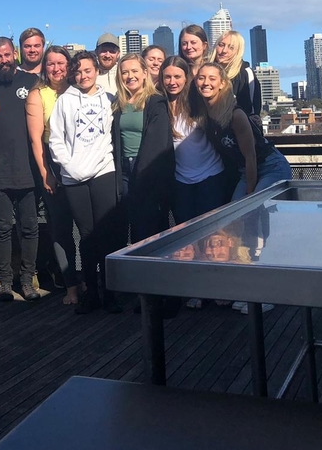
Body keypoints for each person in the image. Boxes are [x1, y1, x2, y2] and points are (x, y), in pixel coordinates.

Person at [49, 50, 120, 315]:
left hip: (104, 171)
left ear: (97, 71)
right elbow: (55, 139)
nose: (82, 76)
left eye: (87, 70)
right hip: (73, 177)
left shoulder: (110, 99)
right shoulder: (64, 101)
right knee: (87, 236)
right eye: (77, 72)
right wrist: (70, 166)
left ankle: (111, 292)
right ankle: (91, 292)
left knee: (108, 234)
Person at [0, 36, 40, 302]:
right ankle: (6, 282)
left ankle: (27, 281)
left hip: (28, 170)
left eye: (7, 55)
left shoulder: (31, 83)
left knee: (30, 228)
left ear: (15, 54)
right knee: (3, 228)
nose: (3, 60)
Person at [25, 45, 79, 305]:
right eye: (51, 64)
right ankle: (71, 286)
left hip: (83, 161)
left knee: (89, 227)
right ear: (44, 68)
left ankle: (90, 280)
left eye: (61, 63)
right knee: (61, 229)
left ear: (69, 65)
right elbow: (36, 140)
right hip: (53, 164)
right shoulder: (38, 94)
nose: (56, 68)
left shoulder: (79, 89)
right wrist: (46, 173)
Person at [196, 62, 292, 201]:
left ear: (222, 84)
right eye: (201, 78)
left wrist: (249, 194)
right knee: (235, 215)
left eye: (212, 78)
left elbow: (250, 157)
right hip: (245, 172)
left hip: (270, 167)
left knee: (252, 207)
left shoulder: (235, 115)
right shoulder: (204, 114)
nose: (206, 83)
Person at [112, 54, 173, 245]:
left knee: (146, 227)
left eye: (135, 71)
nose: (130, 76)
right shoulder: (118, 103)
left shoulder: (156, 102)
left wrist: (141, 175)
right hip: (123, 171)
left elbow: (156, 143)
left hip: (147, 171)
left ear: (145, 73)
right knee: (124, 225)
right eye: (125, 72)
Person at [158, 56, 225, 226]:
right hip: (180, 181)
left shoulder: (198, 102)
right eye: (167, 77)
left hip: (210, 176)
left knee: (210, 232)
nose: (172, 82)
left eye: (177, 77)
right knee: (185, 235)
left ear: (186, 78)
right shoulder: (158, 105)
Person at [209, 30, 262, 117]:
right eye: (221, 45)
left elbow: (252, 110)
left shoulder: (245, 73)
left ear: (238, 51)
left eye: (231, 47)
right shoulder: (206, 71)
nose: (224, 50)